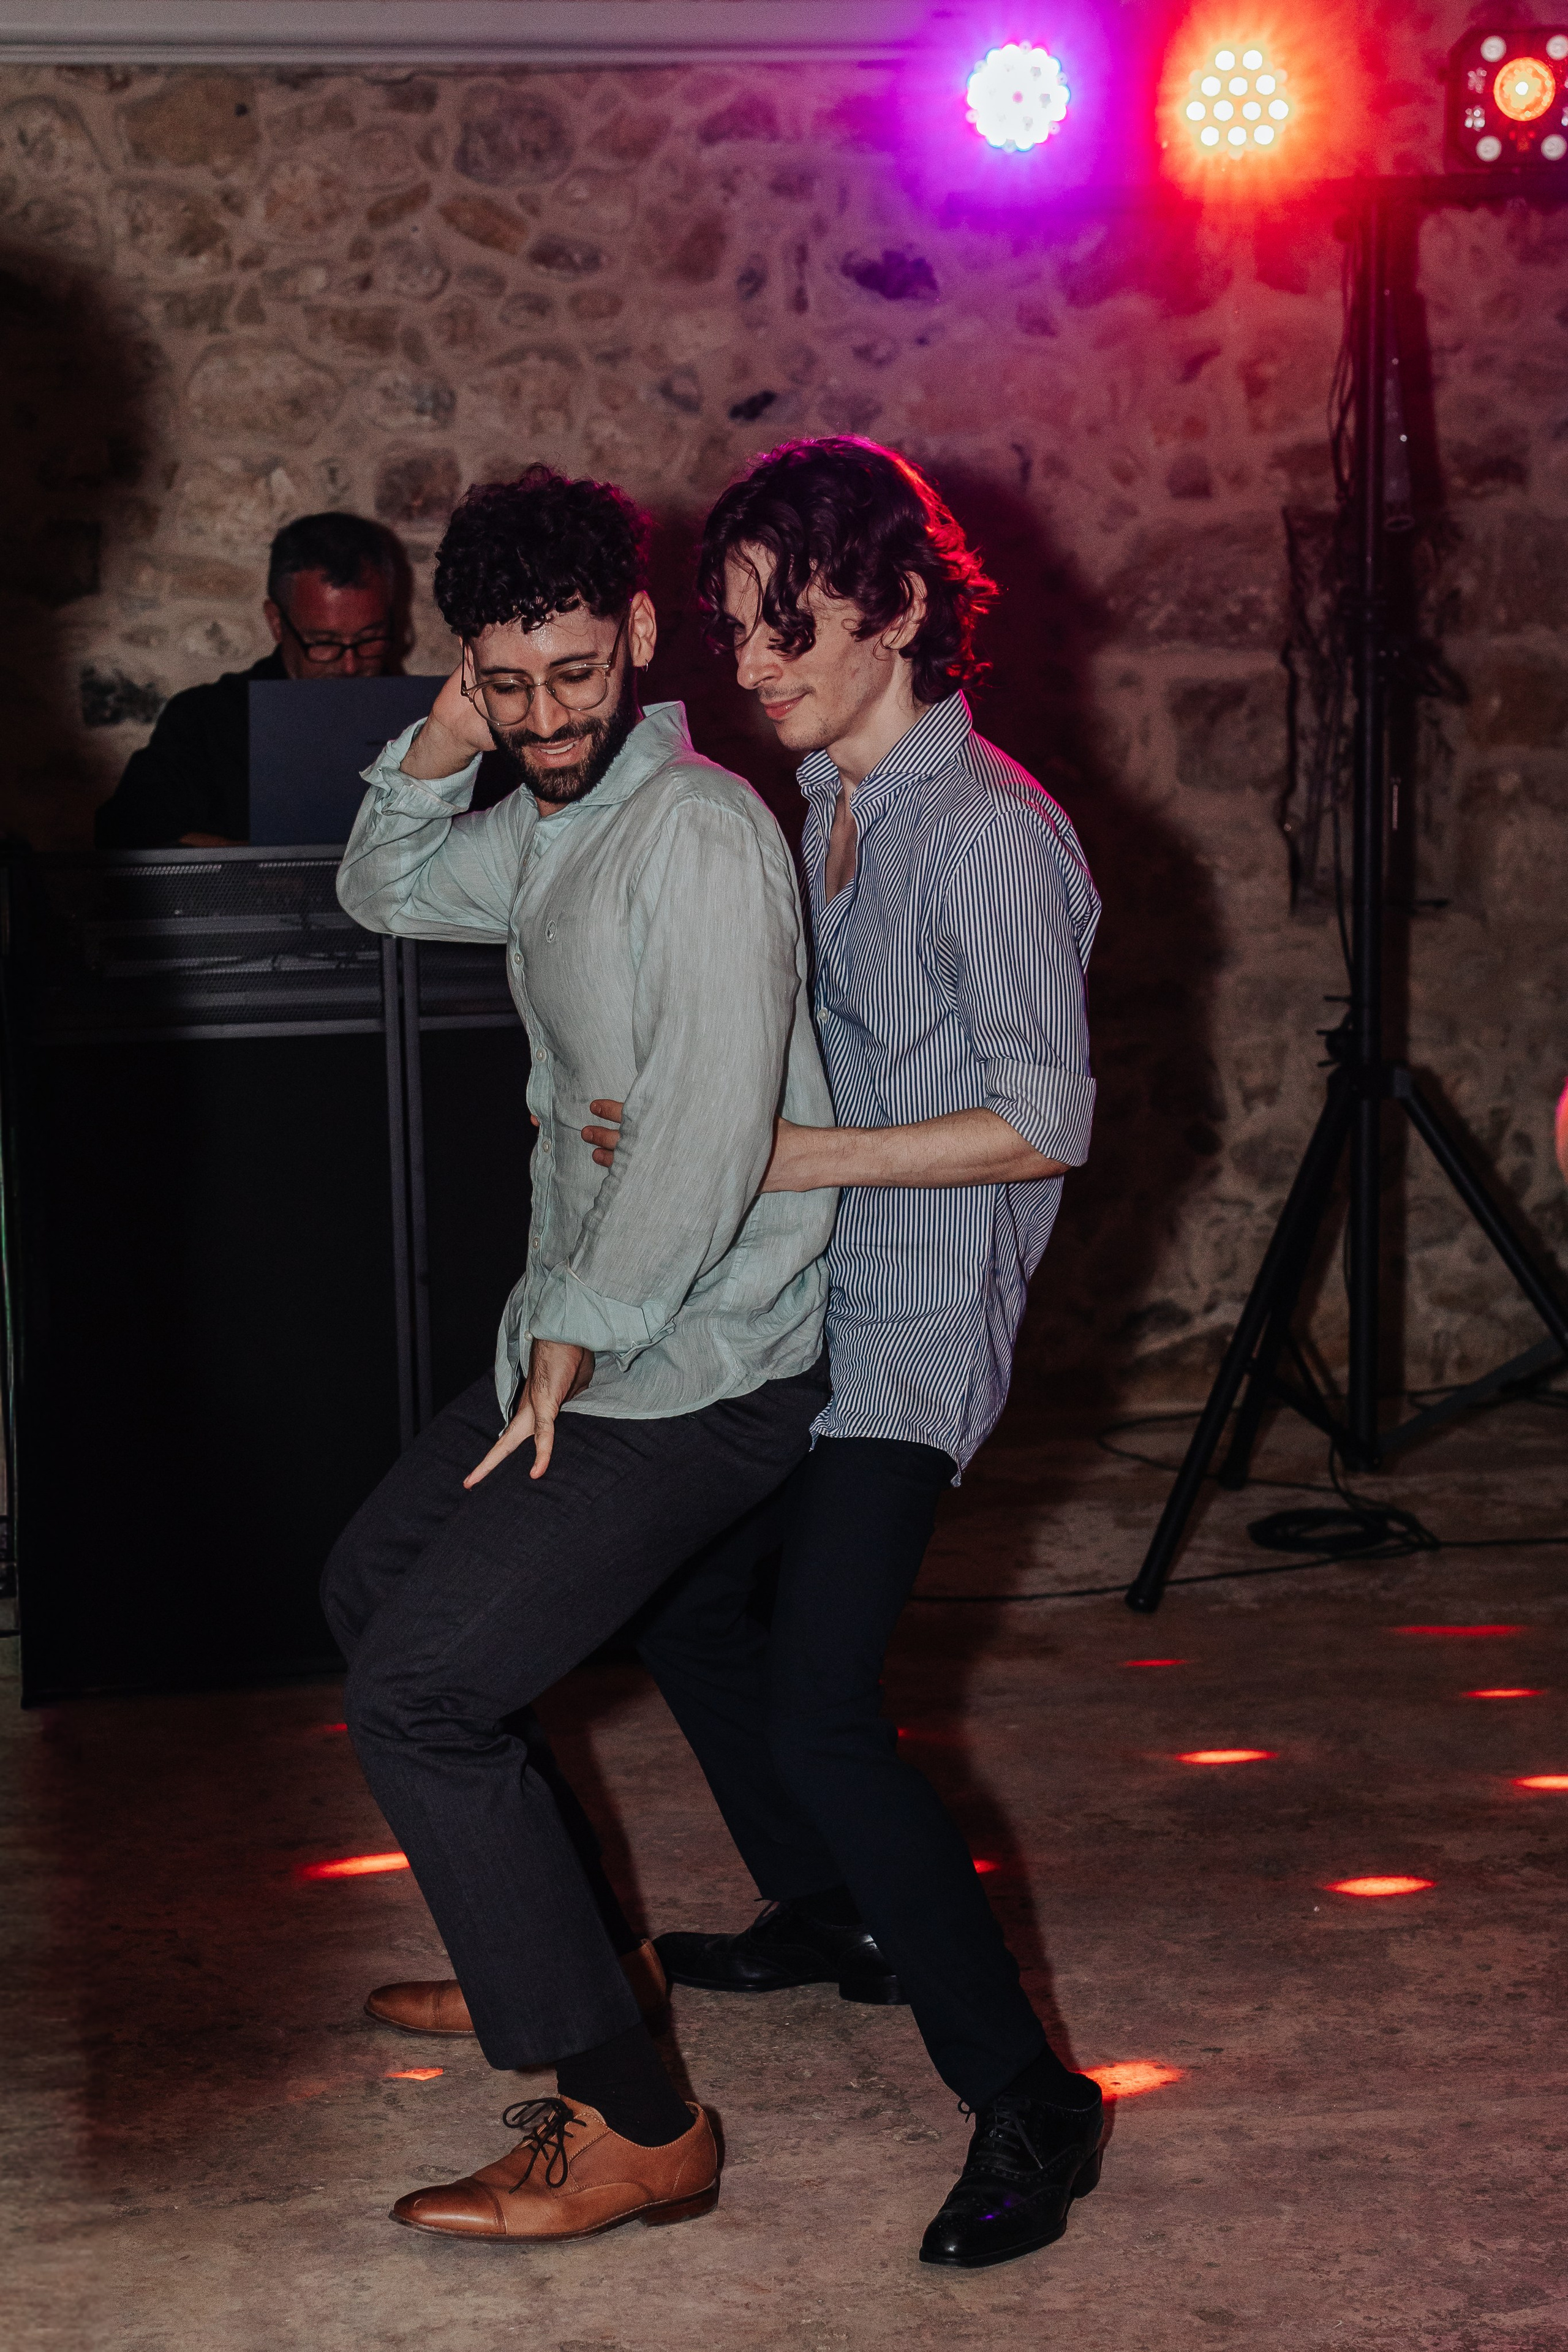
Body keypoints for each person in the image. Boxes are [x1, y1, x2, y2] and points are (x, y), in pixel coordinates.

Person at [581, 437, 1104, 2270]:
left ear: (896, 608)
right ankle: (834, 1908)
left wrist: (780, 1154)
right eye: (730, 625)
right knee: (687, 1607)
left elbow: (1043, 1118)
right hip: (808, 1299)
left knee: (821, 1697)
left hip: (913, 1324)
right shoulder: (827, 804)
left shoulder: (990, 833)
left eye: (781, 622)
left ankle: (1029, 2093)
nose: (746, 661)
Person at [325, 464, 838, 2244]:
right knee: (370, 1584)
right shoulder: (557, 816)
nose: (546, 718)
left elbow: (702, 1136)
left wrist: (573, 1338)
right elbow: (384, 886)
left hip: (697, 1361)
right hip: (589, 1330)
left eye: (574, 673)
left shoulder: (694, 835)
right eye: (508, 683)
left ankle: (638, 2120)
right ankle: (566, 1950)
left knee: (419, 1692)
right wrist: (441, 732)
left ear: (634, 634)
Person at [93, 511, 401, 848]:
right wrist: (259, 862)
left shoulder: (417, 717)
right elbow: (125, 831)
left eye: (371, 638)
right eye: (324, 642)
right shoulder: (204, 721)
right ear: (276, 622)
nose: (351, 666)